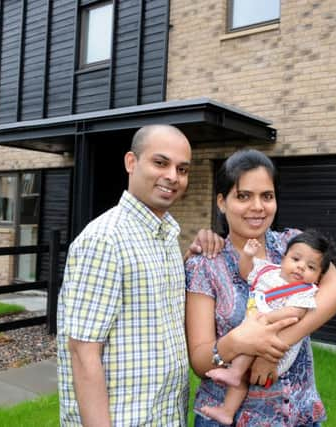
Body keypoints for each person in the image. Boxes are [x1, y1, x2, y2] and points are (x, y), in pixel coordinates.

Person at [57, 124, 222, 426]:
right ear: (131, 162)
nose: (173, 176)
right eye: (161, 163)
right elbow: (82, 353)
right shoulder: (105, 239)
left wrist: (193, 256)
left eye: (182, 169)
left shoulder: (166, 236)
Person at [185, 149, 336, 426]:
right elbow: (201, 360)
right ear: (222, 202)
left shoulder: (295, 247)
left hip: (298, 413)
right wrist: (240, 342)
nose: (258, 207)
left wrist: (272, 350)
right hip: (230, 419)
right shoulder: (205, 265)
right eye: (243, 196)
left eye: (267, 196)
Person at [200, 230, 336, 425]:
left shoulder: (306, 291)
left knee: (248, 349)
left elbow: (294, 313)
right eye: (296, 259)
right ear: (284, 258)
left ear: (317, 277)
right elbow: (246, 272)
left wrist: (263, 320)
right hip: (255, 335)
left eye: (310, 267)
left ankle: (234, 373)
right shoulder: (268, 272)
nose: (300, 267)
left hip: (276, 349)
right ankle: (227, 411)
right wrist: (247, 255)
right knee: (244, 365)